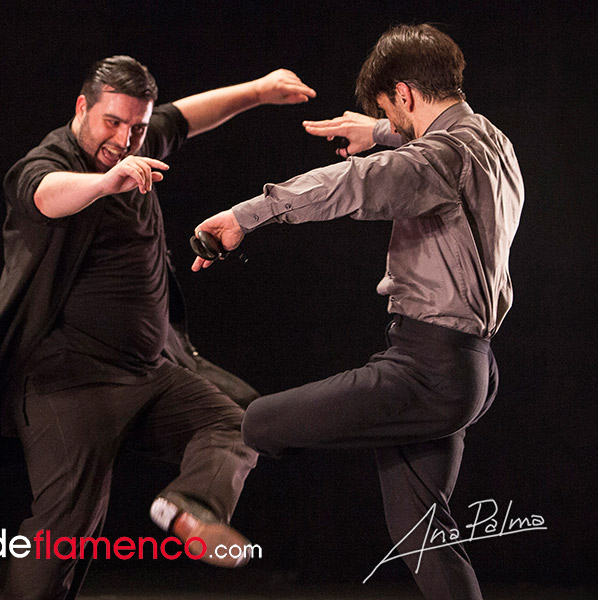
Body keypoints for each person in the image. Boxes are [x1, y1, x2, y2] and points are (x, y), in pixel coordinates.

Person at [0, 56, 316, 599]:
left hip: (148, 374)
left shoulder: (134, 143)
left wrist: (259, 90)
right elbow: (44, 192)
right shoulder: (52, 161)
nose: (123, 139)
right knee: (67, 530)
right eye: (112, 122)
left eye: (136, 128)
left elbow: (183, 117)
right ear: (82, 107)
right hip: (68, 382)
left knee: (236, 425)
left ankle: (191, 507)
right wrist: (103, 183)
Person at [190, 24, 524, 600]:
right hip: (468, 367)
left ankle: (191, 499)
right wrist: (379, 129)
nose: (390, 125)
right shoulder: (493, 142)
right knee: (420, 533)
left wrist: (246, 216)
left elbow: (356, 181)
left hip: (426, 370)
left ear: (405, 93)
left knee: (258, 422)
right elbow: (431, 145)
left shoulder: (437, 159)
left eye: (390, 111)